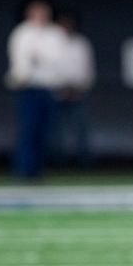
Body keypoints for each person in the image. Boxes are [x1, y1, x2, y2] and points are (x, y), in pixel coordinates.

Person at [6, 0, 66, 179]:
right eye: (35, 12)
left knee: (45, 131)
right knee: (27, 130)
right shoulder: (22, 33)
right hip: (28, 87)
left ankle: (38, 170)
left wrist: (40, 57)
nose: (39, 16)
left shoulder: (56, 34)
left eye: (43, 13)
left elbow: (58, 59)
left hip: (48, 87)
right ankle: (23, 170)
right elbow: (19, 60)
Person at [51, 11, 95, 167]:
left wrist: (80, 87)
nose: (66, 27)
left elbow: (87, 68)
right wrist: (60, 86)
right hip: (56, 92)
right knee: (56, 132)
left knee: (81, 130)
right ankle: (57, 163)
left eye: (69, 23)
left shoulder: (81, 43)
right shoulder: (51, 42)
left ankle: (85, 164)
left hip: (78, 92)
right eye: (63, 23)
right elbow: (50, 68)